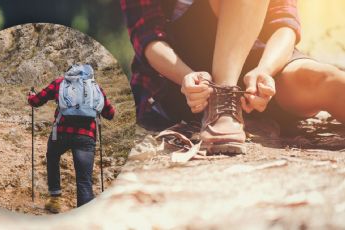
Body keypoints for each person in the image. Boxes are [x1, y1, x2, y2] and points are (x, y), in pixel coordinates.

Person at [121, 0, 345, 154]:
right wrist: (187, 77)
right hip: (187, 78)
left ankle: (245, 110)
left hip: (256, 62)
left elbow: (284, 21)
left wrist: (265, 70)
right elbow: (148, 37)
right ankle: (223, 105)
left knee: (324, 81)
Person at [28, 64, 115, 213]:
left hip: (61, 134)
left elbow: (36, 101)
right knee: (84, 179)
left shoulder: (60, 82)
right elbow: (110, 113)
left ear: (69, 72)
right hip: (86, 137)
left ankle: (55, 199)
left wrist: (30, 96)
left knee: (53, 156)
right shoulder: (95, 87)